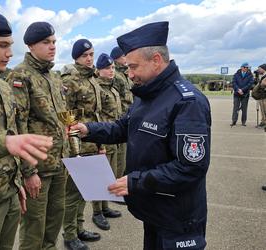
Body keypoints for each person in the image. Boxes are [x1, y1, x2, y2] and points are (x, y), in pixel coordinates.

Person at [72, 21, 211, 250]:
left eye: (134, 67)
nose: (129, 74)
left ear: (156, 60)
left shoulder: (187, 102)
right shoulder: (147, 94)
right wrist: (89, 130)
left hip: (177, 218)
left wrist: (134, 182)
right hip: (154, 208)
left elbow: (191, 167)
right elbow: (123, 128)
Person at [0, 11, 53, 250]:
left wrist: (16, 183)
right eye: (2, 45)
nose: (10, 53)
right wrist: (6, 143)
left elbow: (13, 131)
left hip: (9, 197)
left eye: (10, 45)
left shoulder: (2, 86)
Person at [5, 22, 68, 250]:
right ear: (31, 45)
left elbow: (60, 120)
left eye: (53, 42)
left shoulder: (53, 76)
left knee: (54, 222)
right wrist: (28, 171)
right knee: (34, 228)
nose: (52, 47)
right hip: (38, 167)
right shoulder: (20, 75)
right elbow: (16, 125)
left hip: (60, 162)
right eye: (46, 42)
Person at [60, 39, 101, 250]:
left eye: (91, 54)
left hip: (92, 142)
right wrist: (74, 151)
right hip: (77, 147)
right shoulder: (71, 80)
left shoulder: (93, 79)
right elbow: (67, 117)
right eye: (85, 55)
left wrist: (100, 143)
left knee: (86, 191)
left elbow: (96, 114)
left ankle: (79, 228)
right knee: (72, 194)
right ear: (76, 57)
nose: (89, 58)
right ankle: (69, 234)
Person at [92, 53, 122, 227]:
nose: (111, 71)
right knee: (99, 178)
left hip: (114, 138)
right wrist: (99, 143)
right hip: (103, 138)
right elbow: (97, 116)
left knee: (109, 176)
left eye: (112, 68)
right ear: (99, 70)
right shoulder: (98, 89)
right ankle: (97, 212)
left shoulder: (112, 88)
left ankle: (105, 207)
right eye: (107, 68)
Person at [110, 46, 134, 183]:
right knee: (118, 158)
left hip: (129, 116)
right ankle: (116, 185)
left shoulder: (126, 74)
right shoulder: (116, 76)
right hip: (120, 118)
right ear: (117, 58)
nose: (126, 58)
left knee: (124, 157)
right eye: (123, 56)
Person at [230, 62, 254, 127]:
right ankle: (234, 121)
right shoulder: (236, 74)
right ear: (242, 67)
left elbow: (250, 84)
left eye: (247, 67)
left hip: (245, 94)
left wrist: (242, 90)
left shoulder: (250, 75)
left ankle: (243, 122)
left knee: (244, 108)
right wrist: (238, 90)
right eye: (245, 67)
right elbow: (234, 83)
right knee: (235, 108)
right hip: (237, 94)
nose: (246, 68)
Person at [252, 64, 266, 128]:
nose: (258, 70)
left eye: (259, 68)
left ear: (263, 69)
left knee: (265, 109)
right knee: (262, 110)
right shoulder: (261, 76)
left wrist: (261, 84)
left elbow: (263, 85)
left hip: (264, 95)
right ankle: (263, 121)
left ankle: (264, 122)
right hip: (261, 95)